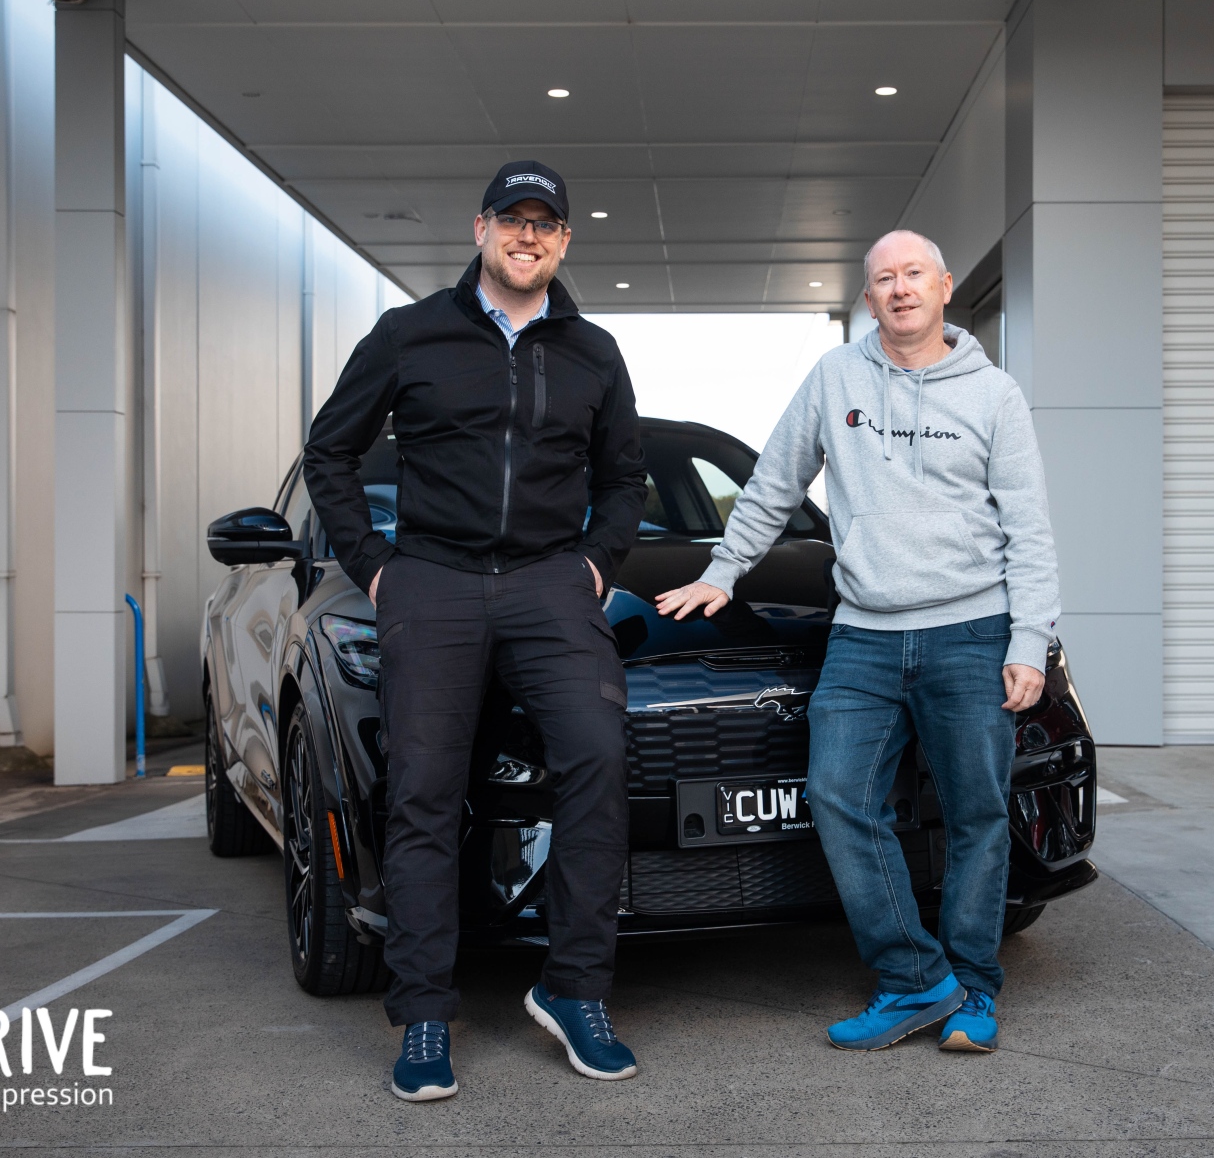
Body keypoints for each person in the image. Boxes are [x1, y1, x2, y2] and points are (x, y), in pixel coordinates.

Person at [654, 229, 1059, 1055]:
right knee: (838, 796)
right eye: (884, 279)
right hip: (865, 635)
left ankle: (975, 988)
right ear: (869, 298)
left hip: (969, 630)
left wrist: (1029, 637)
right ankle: (914, 978)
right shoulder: (835, 376)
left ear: (944, 286)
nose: (900, 288)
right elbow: (774, 482)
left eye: (914, 274)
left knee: (978, 814)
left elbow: (1029, 529)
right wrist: (724, 572)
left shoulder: (994, 395)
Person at [304, 161, 648, 1101]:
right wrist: (377, 567)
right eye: (512, 219)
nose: (526, 236)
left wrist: (594, 565)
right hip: (434, 582)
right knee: (422, 793)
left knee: (598, 758)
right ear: (481, 229)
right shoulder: (408, 334)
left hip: (549, 584)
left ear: (564, 241)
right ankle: (423, 1014)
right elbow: (329, 451)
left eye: (545, 223)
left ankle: (575, 990)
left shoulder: (594, 352)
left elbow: (624, 479)